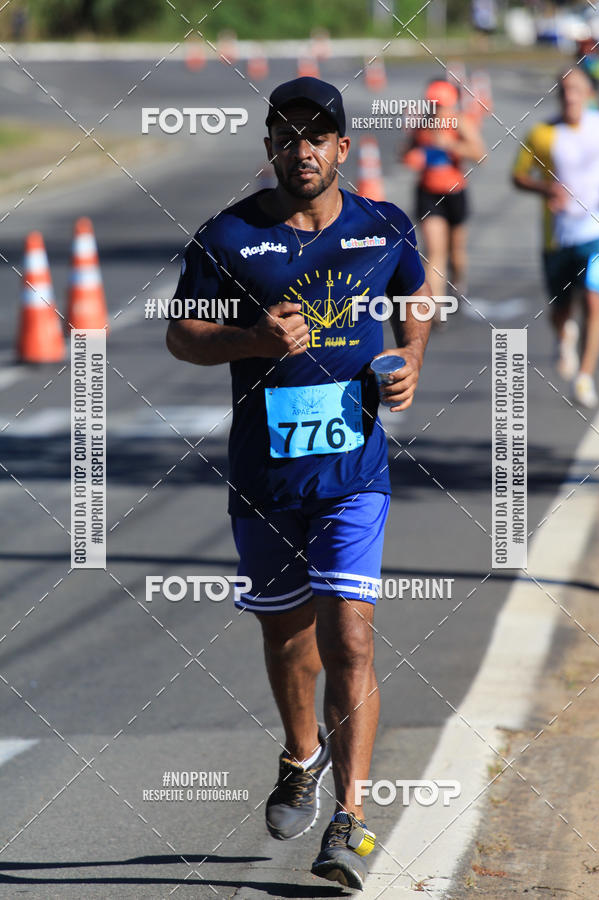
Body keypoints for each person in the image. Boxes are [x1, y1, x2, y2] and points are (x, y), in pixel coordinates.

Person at [167, 76, 432, 890]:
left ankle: (350, 820)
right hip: (265, 477)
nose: (302, 149)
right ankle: (301, 753)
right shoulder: (230, 235)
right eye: (287, 135)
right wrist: (250, 338)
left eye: (318, 136)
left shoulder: (380, 228)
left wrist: (411, 360)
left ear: (343, 148)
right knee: (288, 640)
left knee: (349, 633)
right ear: (270, 147)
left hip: (354, 471)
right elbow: (182, 336)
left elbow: (416, 296)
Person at [512, 67, 599, 408]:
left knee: (594, 303)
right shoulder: (543, 134)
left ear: (589, 94)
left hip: (595, 234)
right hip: (558, 238)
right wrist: (544, 187)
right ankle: (565, 333)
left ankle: (585, 376)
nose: (570, 97)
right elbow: (518, 176)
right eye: (564, 91)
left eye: (576, 90)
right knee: (560, 311)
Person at [401, 79, 485, 324]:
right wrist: (410, 156)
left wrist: (451, 145)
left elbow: (481, 155)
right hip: (428, 193)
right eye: (433, 104)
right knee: (435, 251)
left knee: (456, 253)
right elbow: (406, 152)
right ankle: (435, 307)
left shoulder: (460, 123)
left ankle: (459, 285)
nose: (436, 110)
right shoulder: (421, 125)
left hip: (455, 192)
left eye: (441, 105)